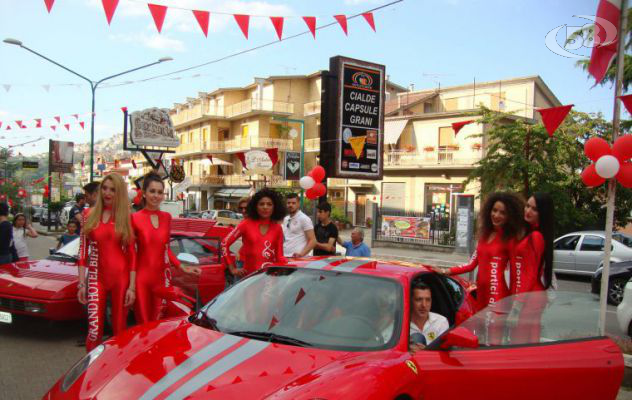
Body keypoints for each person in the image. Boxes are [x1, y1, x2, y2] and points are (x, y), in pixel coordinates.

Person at [77, 173, 136, 352]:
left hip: (121, 278)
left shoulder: (125, 217)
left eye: (113, 189)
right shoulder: (88, 214)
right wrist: (81, 284)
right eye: (104, 188)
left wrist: (131, 287)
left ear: (119, 193)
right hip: (96, 276)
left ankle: (115, 372)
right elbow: (82, 251)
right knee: (94, 331)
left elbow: (132, 255)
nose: (107, 193)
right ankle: (90, 373)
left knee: (119, 330)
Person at [437, 192, 524, 313]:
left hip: (498, 295)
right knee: (479, 331)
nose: (496, 215)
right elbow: (471, 265)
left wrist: (515, 305)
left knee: (494, 332)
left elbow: (516, 276)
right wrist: (445, 271)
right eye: (494, 210)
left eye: (502, 213)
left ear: (510, 216)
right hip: (481, 294)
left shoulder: (511, 239)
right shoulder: (484, 236)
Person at [132, 172, 200, 324]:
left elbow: (166, 250)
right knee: (143, 325)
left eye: (159, 192)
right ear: (144, 194)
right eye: (152, 191)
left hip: (161, 281)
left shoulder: (167, 217)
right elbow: (130, 254)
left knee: (158, 325)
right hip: (141, 280)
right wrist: (130, 285)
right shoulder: (134, 218)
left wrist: (183, 267)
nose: (156, 196)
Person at [508, 192, 555, 342]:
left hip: (528, 297)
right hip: (533, 296)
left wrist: (516, 307)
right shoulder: (534, 234)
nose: (528, 211)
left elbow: (529, 274)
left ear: (543, 213)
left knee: (519, 343)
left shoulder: (535, 237)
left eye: (534, 209)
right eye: (527, 206)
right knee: (531, 341)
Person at [222, 188, 287, 279]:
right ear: (255, 207)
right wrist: (232, 269)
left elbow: (280, 257)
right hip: (249, 279)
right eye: (261, 204)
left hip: (269, 279)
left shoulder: (278, 228)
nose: (265, 207)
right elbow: (224, 244)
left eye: (269, 204)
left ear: (274, 207)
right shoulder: (245, 224)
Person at [409, 282, 449, 353]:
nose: (424, 305)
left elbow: (445, 354)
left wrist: (427, 352)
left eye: (428, 300)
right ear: (410, 301)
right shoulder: (400, 325)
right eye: (419, 299)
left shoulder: (441, 322)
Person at [282, 193, 316, 258]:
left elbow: (313, 241)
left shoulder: (304, 218)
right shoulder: (286, 219)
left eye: (293, 203)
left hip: (298, 259)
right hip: (285, 257)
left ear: (298, 204)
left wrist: (301, 254)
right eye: (288, 203)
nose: (290, 205)